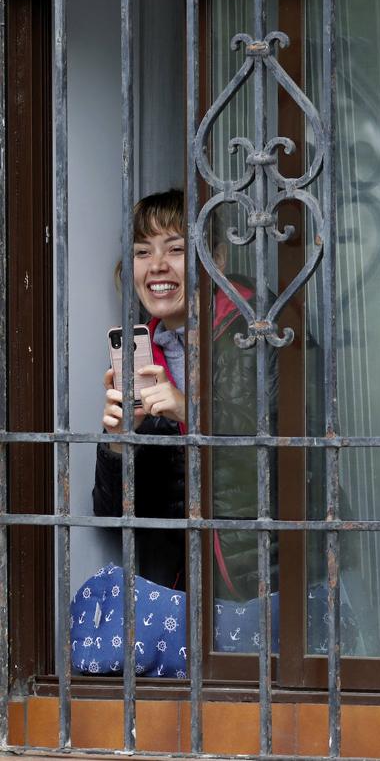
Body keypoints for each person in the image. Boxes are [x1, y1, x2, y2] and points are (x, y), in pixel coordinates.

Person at [92, 188, 279, 598]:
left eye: (175, 249)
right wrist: (119, 443)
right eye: (142, 252)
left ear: (218, 258)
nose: (156, 266)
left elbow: (301, 457)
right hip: (183, 594)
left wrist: (191, 411)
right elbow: (110, 516)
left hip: (274, 580)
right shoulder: (143, 356)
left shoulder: (267, 333)